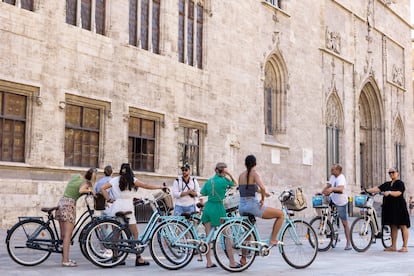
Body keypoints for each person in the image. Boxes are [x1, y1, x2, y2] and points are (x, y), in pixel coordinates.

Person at [100, 163, 168, 266]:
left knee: (116, 233)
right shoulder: (132, 180)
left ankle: (116, 256)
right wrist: (160, 187)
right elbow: (146, 186)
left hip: (116, 206)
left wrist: (109, 199)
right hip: (127, 207)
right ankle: (139, 258)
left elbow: (102, 188)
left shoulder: (115, 180)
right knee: (135, 233)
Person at [238, 154, 284, 266]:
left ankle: (243, 259)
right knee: (280, 214)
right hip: (252, 206)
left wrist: (264, 193)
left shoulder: (241, 175)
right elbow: (262, 187)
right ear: (255, 164)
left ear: (245, 164)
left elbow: (248, 188)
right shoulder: (254, 174)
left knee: (247, 233)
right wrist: (263, 199)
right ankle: (273, 239)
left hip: (242, 207)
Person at [56, 167, 97, 267]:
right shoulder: (85, 183)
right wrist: (90, 190)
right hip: (69, 206)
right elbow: (81, 190)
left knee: (63, 236)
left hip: (61, 203)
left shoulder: (76, 176)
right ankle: (65, 261)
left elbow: (73, 187)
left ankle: (64, 259)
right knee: (67, 236)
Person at [200, 162, 238, 268]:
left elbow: (203, 193)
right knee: (227, 236)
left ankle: (208, 262)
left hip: (208, 208)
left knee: (208, 236)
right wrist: (229, 174)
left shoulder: (209, 181)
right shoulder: (224, 181)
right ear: (223, 170)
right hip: (218, 208)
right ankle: (232, 262)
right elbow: (236, 184)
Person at [365, 167, 410, 252]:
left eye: (393, 172)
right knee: (392, 225)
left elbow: (399, 193)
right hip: (389, 207)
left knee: (403, 225)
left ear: (397, 173)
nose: (391, 174)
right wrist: (366, 191)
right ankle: (393, 246)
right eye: (389, 173)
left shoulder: (400, 183)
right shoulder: (387, 184)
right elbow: (377, 188)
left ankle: (405, 246)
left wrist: (389, 192)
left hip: (399, 207)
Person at [321, 163, 352, 250]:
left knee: (344, 223)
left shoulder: (341, 178)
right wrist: (321, 192)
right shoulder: (332, 177)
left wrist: (331, 189)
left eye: (333, 169)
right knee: (323, 208)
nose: (331, 171)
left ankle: (348, 243)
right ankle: (329, 227)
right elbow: (328, 186)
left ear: (338, 170)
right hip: (332, 199)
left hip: (341, 202)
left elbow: (340, 189)